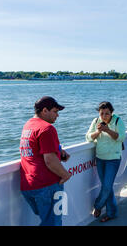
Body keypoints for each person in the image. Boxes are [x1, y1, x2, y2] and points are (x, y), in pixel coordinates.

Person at [20, 96, 72, 226]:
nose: (57, 115)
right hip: (48, 185)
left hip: (28, 185)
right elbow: (49, 160)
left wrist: (59, 153)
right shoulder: (47, 128)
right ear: (44, 110)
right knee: (54, 222)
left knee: (48, 220)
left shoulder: (28, 125)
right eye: (55, 111)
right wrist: (66, 174)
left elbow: (36, 151)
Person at [86, 101, 126, 223]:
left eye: (107, 114)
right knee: (107, 188)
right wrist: (98, 131)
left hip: (113, 159)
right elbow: (88, 137)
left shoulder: (118, 121)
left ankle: (97, 206)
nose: (104, 116)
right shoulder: (95, 121)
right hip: (100, 158)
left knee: (107, 187)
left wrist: (107, 130)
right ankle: (111, 213)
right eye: (102, 113)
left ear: (112, 113)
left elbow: (121, 137)